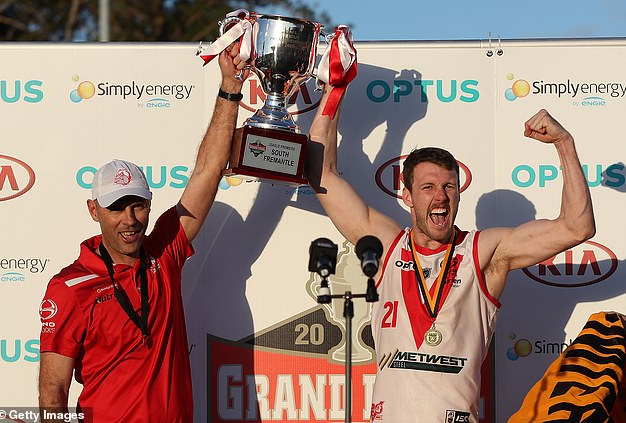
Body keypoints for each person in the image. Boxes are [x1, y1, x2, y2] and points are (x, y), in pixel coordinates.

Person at [307, 83, 596, 422]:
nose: (440, 196)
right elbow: (321, 173)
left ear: (458, 195)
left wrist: (565, 144)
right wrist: (335, 89)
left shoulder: (485, 252)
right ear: (408, 197)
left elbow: (577, 227)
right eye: (428, 187)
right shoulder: (387, 245)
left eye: (449, 187)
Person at [37, 44, 249, 422]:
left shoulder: (164, 252)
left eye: (138, 205)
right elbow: (53, 392)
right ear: (94, 210)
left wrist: (230, 86)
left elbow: (209, 170)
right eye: (116, 207)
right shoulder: (69, 288)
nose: (129, 219)